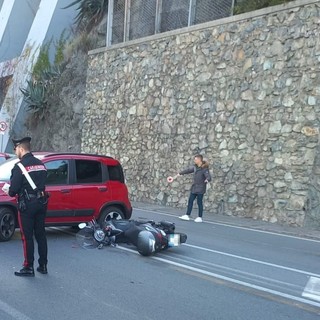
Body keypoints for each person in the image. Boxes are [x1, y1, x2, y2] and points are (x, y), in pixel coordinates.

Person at [8, 137, 49, 277]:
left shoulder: (19, 167)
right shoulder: (41, 164)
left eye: (16, 149)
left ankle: (28, 266)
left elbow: (13, 190)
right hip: (42, 202)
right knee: (41, 235)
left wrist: (9, 190)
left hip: (27, 205)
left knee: (27, 237)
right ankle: (43, 265)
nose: (16, 152)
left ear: (21, 148)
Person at [177, 154, 211, 223]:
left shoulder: (204, 169)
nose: (194, 161)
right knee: (190, 201)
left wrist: (207, 179)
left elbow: (208, 176)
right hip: (194, 187)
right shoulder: (195, 167)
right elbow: (188, 170)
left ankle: (199, 217)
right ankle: (187, 215)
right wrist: (180, 173)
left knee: (199, 202)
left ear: (199, 160)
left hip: (201, 188)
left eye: (195, 159)